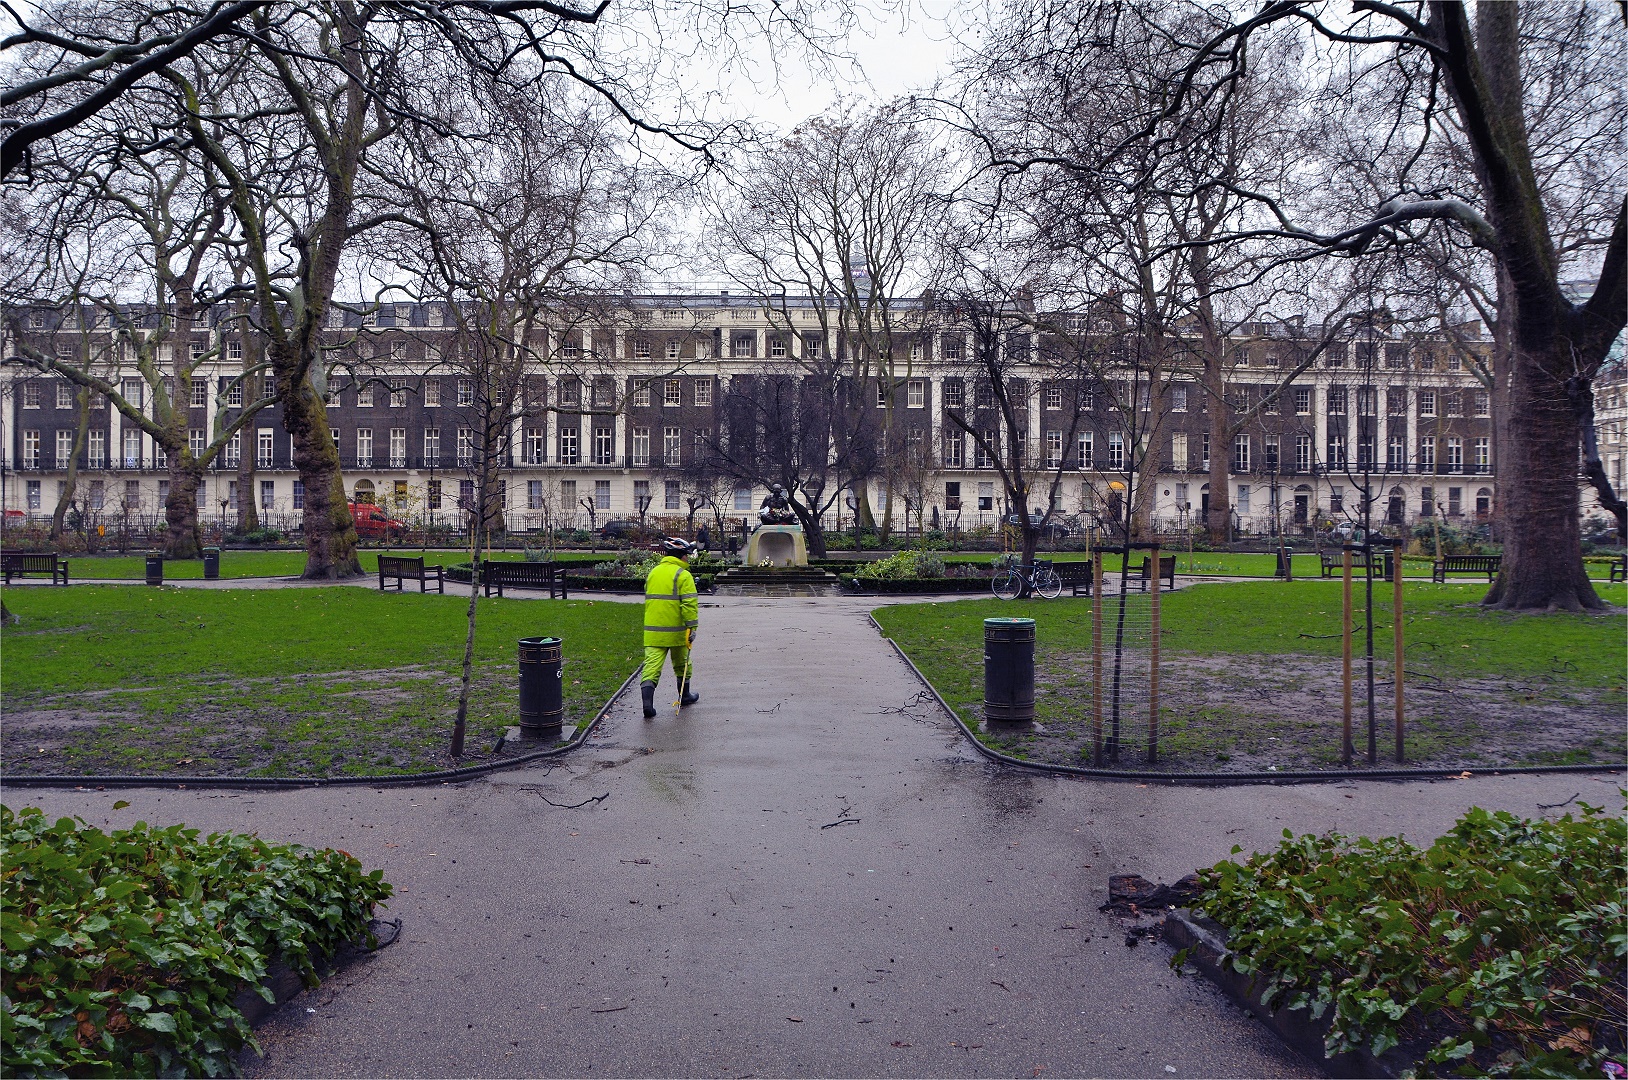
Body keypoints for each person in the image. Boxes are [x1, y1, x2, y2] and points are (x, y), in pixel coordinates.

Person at [641, 536, 700, 718]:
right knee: (683, 664)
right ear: (682, 556)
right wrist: (692, 627)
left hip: (653, 631)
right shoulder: (683, 575)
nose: (688, 559)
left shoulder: (654, 572)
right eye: (687, 556)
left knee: (651, 666)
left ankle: (648, 706)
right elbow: (689, 604)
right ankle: (685, 695)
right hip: (677, 632)